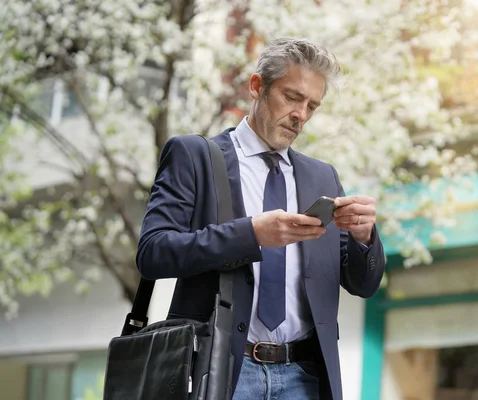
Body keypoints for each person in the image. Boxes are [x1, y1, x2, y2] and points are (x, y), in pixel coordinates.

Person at [136, 37, 386, 400]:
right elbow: (153, 252)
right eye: (292, 97)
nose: (301, 114)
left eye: (312, 106)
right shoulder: (195, 157)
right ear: (256, 86)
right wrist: (250, 234)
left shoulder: (322, 178)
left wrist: (364, 238)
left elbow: (363, 284)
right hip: (222, 370)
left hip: (304, 377)